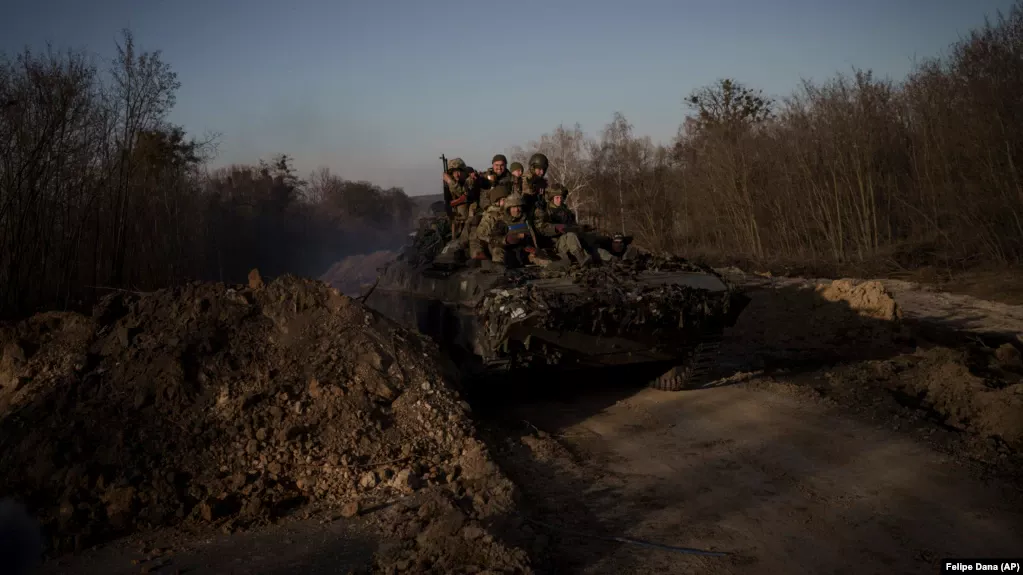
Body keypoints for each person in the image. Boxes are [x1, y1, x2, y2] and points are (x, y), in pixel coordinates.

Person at [484, 193, 534, 267]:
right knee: (497, 252)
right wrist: (506, 240)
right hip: (509, 252)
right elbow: (493, 239)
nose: (517, 210)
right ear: (508, 209)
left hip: (527, 251)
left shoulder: (528, 220)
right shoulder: (503, 221)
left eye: (518, 207)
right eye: (513, 207)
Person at [442, 157, 481, 240]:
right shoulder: (452, 183)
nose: (456, 175)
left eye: (458, 171)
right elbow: (449, 202)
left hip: (473, 219)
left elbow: (462, 193)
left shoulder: (471, 179)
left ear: (464, 171)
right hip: (459, 221)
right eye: (453, 172)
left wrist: (449, 181)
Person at [470, 185, 511, 262]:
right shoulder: (491, 215)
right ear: (497, 202)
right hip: (495, 245)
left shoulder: (510, 211)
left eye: (507, 199)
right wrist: (494, 240)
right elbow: (481, 234)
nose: (506, 202)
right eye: (503, 199)